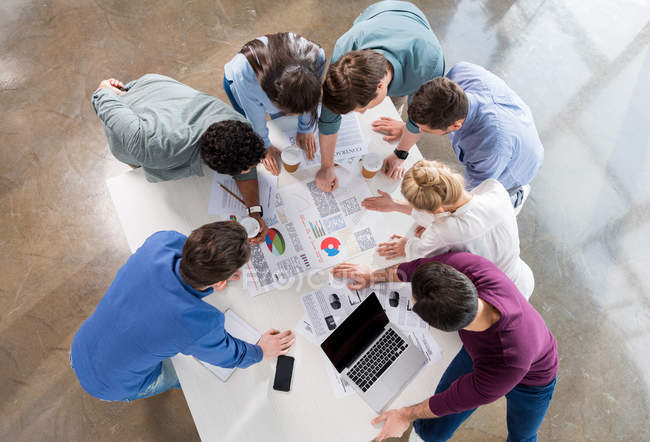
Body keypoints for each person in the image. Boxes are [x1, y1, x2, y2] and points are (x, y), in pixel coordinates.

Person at [331, 252, 558, 441]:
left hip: (534, 379)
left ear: (436, 327)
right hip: (483, 354)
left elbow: (454, 399)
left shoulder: (506, 363)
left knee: (523, 435)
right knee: (431, 429)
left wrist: (405, 414)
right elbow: (416, 268)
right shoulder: (466, 266)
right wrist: (374, 276)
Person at [71, 221, 295, 401]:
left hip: (81, 345)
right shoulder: (197, 323)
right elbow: (228, 356)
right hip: (112, 386)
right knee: (192, 376)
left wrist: (212, 274)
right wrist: (260, 351)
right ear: (219, 283)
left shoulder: (162, 241)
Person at [92, 74, 269, 243]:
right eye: (242, 170)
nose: (248, 171)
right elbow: (109, 109)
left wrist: (254, 210)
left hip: (160, 96)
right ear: (212, 164)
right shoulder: (154, 148)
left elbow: (243, 161)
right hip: (130, 110)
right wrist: (104, 91)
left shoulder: (238, 125)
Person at [377, 62, 544, 213]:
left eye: (422, 128)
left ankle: (516, 197)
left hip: (516, 167)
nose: (417, 129)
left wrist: (396, 206)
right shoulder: (461, 73)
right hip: (512, 126)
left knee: (477, 211)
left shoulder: (489, 147)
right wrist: (408, 128)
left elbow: (461, 201)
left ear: (456, 126)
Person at [315, 0, 444, 192]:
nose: (362, 113)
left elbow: (419, 119)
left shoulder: (428, 66)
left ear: (381, 86)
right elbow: (328, 116)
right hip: (377, 15)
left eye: (363, 108)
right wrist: (326, 166)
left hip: (412, 27)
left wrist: (400, 154)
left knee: (402, 109)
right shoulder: (346, 47)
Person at [362, 159, 534, 299]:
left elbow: (420, 255)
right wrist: (395, 205)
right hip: (522, 275)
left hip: (494, 295)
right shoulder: (494, 188)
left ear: (435, 211)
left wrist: (406, 246)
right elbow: (460, 211)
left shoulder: (444, 230)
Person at [223, 32, 326, 175]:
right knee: (248, 126)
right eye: (292, 112)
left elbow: (308, 96)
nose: (293, 115)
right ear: (274, 99)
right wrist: (263, 145)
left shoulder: (317, 57)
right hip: (239, 84)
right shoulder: (245, 73)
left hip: (277, 88)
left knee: (282, 126)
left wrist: (306, 127)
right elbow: (255, 116)